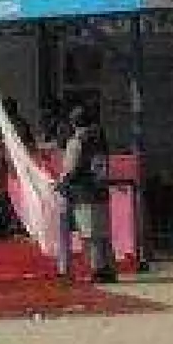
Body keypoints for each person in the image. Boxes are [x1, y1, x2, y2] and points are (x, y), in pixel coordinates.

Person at [56, 104, 115, 282]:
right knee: (103, 234)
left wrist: (61, 184)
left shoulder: (77, 142)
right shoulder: (100, 141)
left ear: (74, 123)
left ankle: (98, 270)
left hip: (84, 193)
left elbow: (71, 170)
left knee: (90, 236)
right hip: (100, 192)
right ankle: (109, 268)